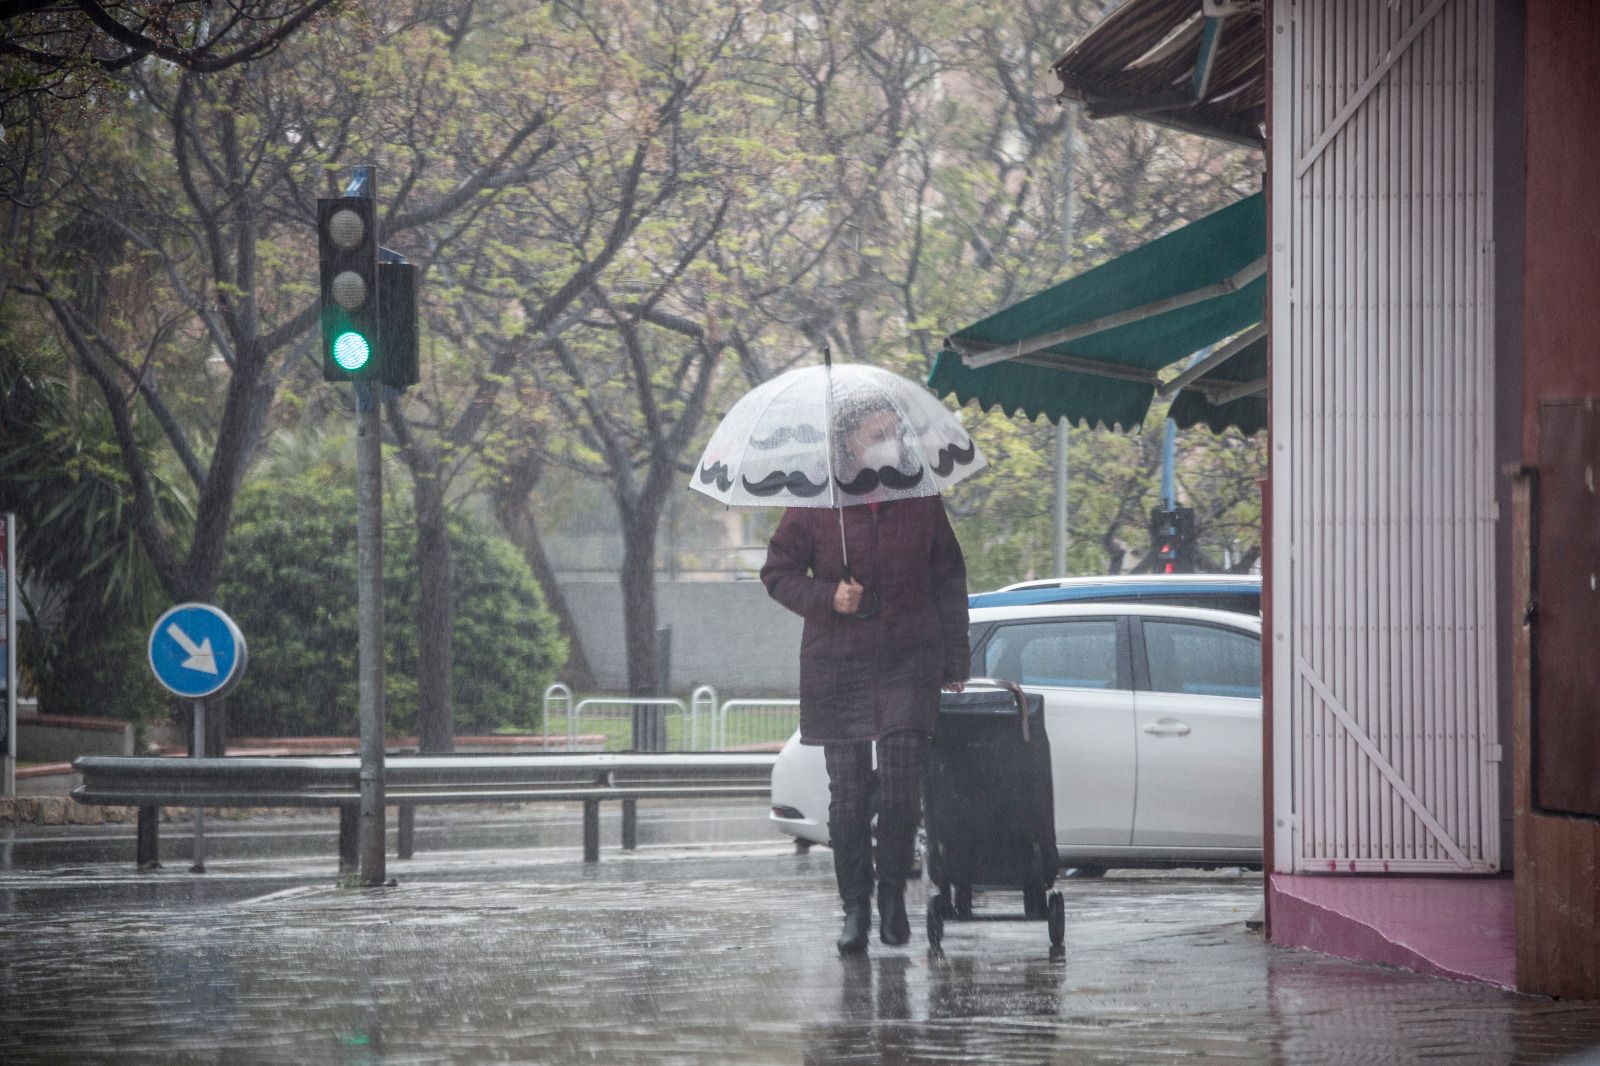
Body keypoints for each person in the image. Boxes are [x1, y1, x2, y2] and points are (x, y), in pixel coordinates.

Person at [761, 402, 970, 954]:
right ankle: (853, 906)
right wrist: (828, 596)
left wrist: (955, 659)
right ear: (849, 440)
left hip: (909, 658)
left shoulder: (919, 494)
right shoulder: (814, 499)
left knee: (902, 788)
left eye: (893, 431)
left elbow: (948, 573)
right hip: (839, 664)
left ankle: (891, 898)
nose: (889, 439)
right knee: (848, 796)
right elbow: (777, 573)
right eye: (877, 432)